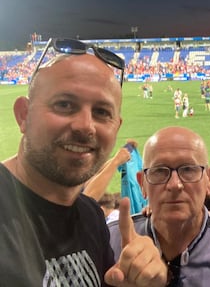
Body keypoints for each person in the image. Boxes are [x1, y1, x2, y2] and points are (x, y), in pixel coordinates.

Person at [0, 38, 167, 286]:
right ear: (24, 115)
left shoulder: (91, 216)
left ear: (116, 126)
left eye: (102, 112)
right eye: (64, 105)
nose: (85, 126)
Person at [108, 126, 210, 286]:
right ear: (142, 183)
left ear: (209, 180)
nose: (175, 184)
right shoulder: (107, 241)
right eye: (159, 171)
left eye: (188, 169)